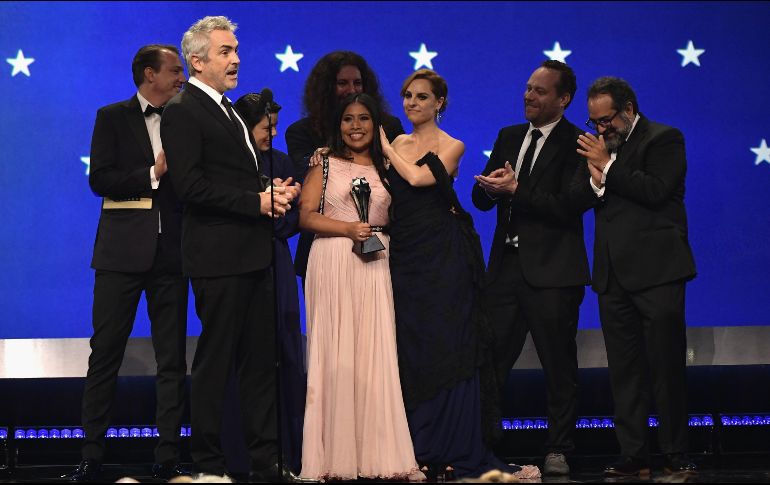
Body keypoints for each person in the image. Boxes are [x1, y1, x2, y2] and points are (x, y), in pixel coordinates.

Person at [160, 16, 300, 481]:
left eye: (235, 48)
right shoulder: (182, 110)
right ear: (197, 61)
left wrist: (271, 191)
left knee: (261, 364)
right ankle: (209, 467)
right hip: (218, 259)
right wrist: (255, 201)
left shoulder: (231, 111)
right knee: (216, 364)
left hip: (255, 255)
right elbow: (190, 186)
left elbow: (231, 177)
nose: (236, 57)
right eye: (224, 51)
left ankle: (266, 465)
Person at [380, 69, 522, 480]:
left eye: (422, 97)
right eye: (407, 95)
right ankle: (417, 444)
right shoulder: (400, 142)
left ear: (440, 102)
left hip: (444, 253)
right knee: (414, 343)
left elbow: (418, 177)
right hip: (406, 254)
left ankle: (452, 442)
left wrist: (385, 149)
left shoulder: (451, 145)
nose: (412, 103)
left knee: (449, 341)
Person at [63, 44, 189, 482]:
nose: (182, 77)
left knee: (171, 359)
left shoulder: (186, 119)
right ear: (149, 74)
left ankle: (168, 455)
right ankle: (91, 454)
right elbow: (100, 179)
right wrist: (153, 174)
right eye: (175, 70)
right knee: (106, 355)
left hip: (173, 253)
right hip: (120, 255)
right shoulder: (111, 116)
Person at [471, 60, 592, 476]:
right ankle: (483, 443)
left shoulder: (579, 142)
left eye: (540, 91)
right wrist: (488, 187)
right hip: (505, 269)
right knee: (490, 362)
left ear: (563, 99)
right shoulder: (508, 136)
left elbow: (568, 206)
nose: (529, 96)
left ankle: (559, 446)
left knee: (559, 366)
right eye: (527, 88)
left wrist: (517, 190)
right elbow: (482, 198)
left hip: (554, 274)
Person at [573, 76, 697, 477]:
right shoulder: (597, 149)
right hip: (612, 276)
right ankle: (634, 453)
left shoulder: (664, 139)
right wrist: (595, 176)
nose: (600, 129)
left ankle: (676, 451)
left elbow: (657, 190)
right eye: (594, 122)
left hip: (658, 273)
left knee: (665, 367)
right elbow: (585, 195)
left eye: (606, 121)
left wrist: (607, 166)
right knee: (624, 372)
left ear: (628, 110)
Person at [297, 93, 422, 481]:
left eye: (364, 118)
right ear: (338, 125)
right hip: (333, 259)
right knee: (335, 356)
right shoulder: (325, 163)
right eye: (348, 119)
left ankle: (380, 455)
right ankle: (333, 458)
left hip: (376, 262)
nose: (355, 126)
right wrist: (348, 228)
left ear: (376, 124)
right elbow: (305, 217)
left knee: (375, 354)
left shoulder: (389, 167)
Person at [233, 91, 306, 474]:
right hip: (241, 262)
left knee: (286, 351)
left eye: (276, 125)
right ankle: (247, 455)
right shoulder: (231, 163)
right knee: (250, 356)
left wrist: (281, 208)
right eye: (267, 127)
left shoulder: (279, 159)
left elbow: (294, 218)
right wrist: (264, 205)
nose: (273, 133)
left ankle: (288, 453)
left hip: (277, 259)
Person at [285, 50, 405, 285]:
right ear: (326, 88)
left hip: (386, 253)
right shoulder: (302, 133)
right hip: (327, 254)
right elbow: (309, 194)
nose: (351, 90)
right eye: (342, 83)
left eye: (358, 83)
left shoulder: (389, 128)